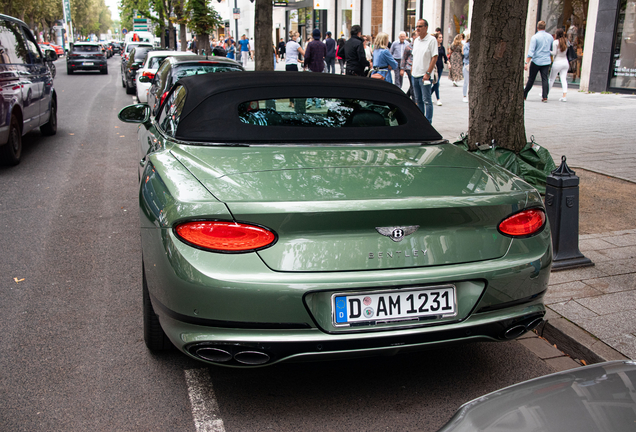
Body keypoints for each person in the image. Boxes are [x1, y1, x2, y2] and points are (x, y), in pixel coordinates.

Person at [411, 19, 438, 124]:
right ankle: (420, 121)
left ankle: (428, 122)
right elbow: (415, 57)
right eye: (417, 26)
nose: (417, 28)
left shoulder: (431, 40)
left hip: (424, 75)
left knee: (427, 100)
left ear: (426, 27)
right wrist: (412, 70)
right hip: (415, 74)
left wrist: (428, 73)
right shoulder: (416, 40)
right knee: (418, 100)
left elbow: (434, 57)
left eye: (420, 26)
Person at [524, 21, 554, 102]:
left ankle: (524, 94)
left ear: (537, 27)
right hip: (546, 61)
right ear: (545, 27)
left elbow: (531, 51)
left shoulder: (535, 37)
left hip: (536, 60)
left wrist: (526, 62)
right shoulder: (550, 37)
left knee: (531, 79)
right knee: (545, 79)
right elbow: (551, 49)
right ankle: (545, 96)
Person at [549, 28, 570, 102]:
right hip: (565, 62)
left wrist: (548, 51)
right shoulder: (566, 41)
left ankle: (545, 93)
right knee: (563, 79)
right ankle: (564, 96)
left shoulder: (555, 42)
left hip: (557, 62)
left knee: (551, 79)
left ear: (557, 34)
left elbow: (554, 53)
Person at [431, 32, 448, 106]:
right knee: (436, 83)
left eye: (442, 37)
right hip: (434, 66)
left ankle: (428, 94)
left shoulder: (442, 47)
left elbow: (444, 56)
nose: (441, 39)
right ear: (436, 38)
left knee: (436, 83)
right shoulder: (433, 47)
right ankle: (438, 99)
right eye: (440, 37)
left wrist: (448, 62)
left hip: (440, 66)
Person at [400, 32, 416, 99]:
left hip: (417, 67)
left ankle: (405, 98)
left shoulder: (420, 46)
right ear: (413, 36)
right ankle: (414, 100)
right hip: (409, 67)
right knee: (413, 85)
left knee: (414, 85)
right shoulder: (408, 47)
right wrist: (402, 69)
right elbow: (404, 57)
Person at [462, 31, 470, 103]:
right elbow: (466, 54)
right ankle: (464, 95)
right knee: (466, 81)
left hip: (472, 64)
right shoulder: (466, 45)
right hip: (467, 64)